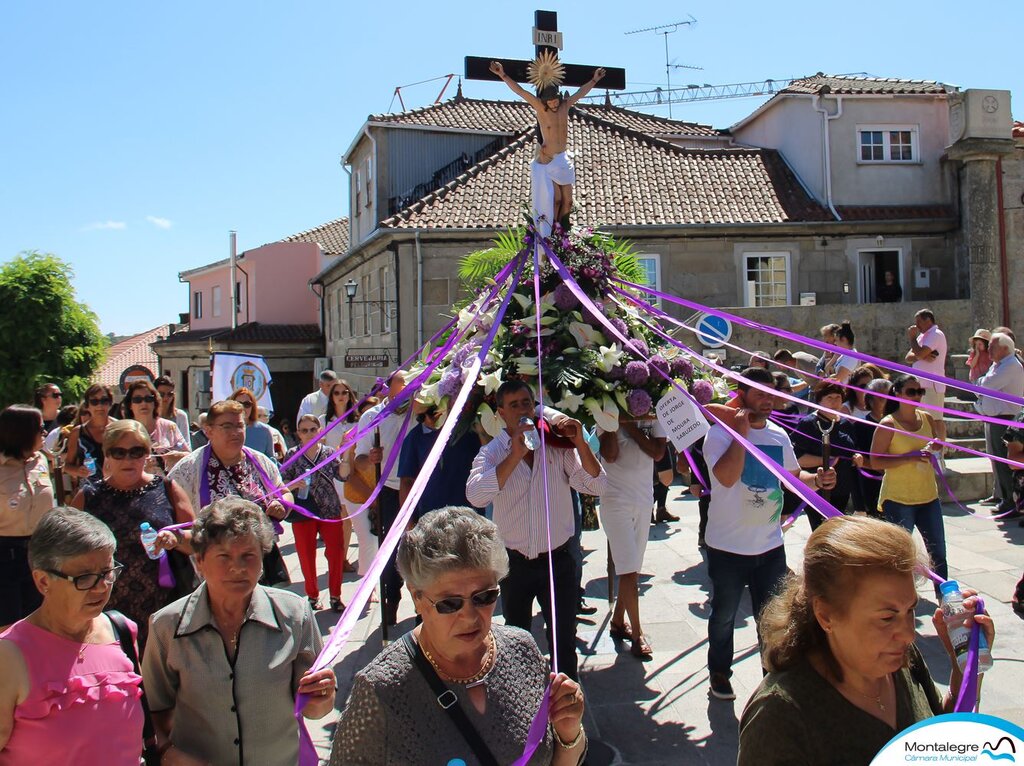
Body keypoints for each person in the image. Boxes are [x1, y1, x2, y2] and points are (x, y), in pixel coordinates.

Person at [331, 506, 587, 766]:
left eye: (484, 597)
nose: (470, 617)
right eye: (450, 603)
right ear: (416, 597)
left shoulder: (522, 650)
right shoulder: (380, 689)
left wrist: (569, 734)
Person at [738, 516, 994, 765]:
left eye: (910, 610)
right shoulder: (779, 716)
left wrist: (966, 666)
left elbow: (938, 740)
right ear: (826, 615)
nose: (907, 634)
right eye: (887, 618)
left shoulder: (904, 659)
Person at [142, 497, 335, 766]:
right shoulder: (167, 626)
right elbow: (154, 709)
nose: (238, 567)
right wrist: (167, 753)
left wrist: (323, 697)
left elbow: (315, 708)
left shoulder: (295, 615)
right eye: (224, 556)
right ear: (199, 560)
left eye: (248, 556)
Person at [703, 367, 836, 701]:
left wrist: (816, 480)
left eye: (771, 393)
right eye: (759, 393)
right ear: (742, 394)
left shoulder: (779, 435)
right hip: (727, 547)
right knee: (724, 617)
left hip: (770, 545)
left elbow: (791, 477)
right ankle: (719, 672)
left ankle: (771, 676)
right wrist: (740, 433)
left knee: (772, 618)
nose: (767, 400)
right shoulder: (718, 434)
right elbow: (728, 478)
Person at [466, 380, 606, 680]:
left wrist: (580, 441)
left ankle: (567, 711)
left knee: (564, 641)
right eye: (513, 405)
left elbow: (596, 484)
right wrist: (514, 455)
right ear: (501, 412)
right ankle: (524, 702)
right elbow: (476, 495)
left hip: (559, 562)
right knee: (517, 642)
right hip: (515, 564)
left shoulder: (556, 446)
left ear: (535, 406)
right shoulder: (493, 452)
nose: (521, 411)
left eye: (526, 403)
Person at [0, 507, 145, 764]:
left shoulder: (121, 630)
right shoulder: (9, 656)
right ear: (43, 581)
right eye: (85, 577)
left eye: (107, 572)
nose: (101, 587)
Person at [70, 419, 194, 648]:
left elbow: (196, 542)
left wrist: (175, 540)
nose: (128, 460)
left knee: (159, 677)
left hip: (162, 605)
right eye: (119, 452)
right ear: (106, 455)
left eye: (136, 452)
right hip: (104, 607)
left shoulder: (167, 488)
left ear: (147, 455)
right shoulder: (88, 496)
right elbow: (67, 551)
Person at [167, 399, 293, 587]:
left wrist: (282, 504)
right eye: (227, 426)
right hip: (214, 569)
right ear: (208, 431)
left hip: (259, 565)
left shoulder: (259, 461)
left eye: (240, 425)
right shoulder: (188, 468)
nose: (235, 432)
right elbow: (172, 514)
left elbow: (284, 491)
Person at [489, 60, 605, 236]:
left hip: (563, 159)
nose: (553, 103)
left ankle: (563, 231)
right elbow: (520, 91)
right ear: (545, 101)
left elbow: (581, 92)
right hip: (548, 159)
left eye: (555, 100)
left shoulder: (565, 106)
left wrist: (594, 80)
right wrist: (502, 75)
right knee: (556, 200)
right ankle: (551, 232)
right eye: (550, 101)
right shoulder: (541, 109)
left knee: (568, 202)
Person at [868, 374, 948, 586]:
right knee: (899, 556)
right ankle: (898, 597)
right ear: (897, 393)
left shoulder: (927, 418)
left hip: (928, 495)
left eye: (920, 391)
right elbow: (875, 461)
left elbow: (932, 446)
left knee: (939, 554)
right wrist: (908, 457)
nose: (917, 396)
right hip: (899, 498)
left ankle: (946, 600)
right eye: (911, 392)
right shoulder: (889, 423)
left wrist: (936, 447)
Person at [599, 416, 666, 658]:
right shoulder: (606, 412)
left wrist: (630, 426)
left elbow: (658, 452)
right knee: (627, 570)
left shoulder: (654, 412)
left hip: (644, 499)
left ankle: (618, 621)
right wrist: (615, 421)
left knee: (633, 568)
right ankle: (638, 634)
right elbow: (610, 454)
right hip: (615, 501)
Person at [355, 373, 409, 625]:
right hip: (388, 488)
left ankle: (423, 606)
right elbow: (359, 458)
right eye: (402, 385)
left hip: (418, 487)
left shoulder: (421, 411)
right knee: (389, 547)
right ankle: (391, 598)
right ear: (390, 388)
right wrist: (371, 459)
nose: (407, 391)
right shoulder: (372, 416)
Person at [280, 415, 348, 612]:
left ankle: (335, 595)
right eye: (304, 430)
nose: (309, 434)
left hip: (329, 507)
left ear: (320, 431)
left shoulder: (327, 452)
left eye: (312, 429)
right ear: (298, 434)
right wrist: (295, 484)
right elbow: (281, 484)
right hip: (304, 510)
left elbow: (343, 475)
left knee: (336, 552)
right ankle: (312, 595)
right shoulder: (292, 454)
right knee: (305, 553)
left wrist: (346, 453)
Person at [0, 406, 55, 626]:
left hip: (41, 550)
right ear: (21, 432)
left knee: (40, 622)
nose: (44, 433)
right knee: (8, 626)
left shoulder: (40, 460)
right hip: (5, 556)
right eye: (40, 428)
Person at [789, 380, 858, 526]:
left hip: (843, 487)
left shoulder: (845, 423)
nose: (834, 402)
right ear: (819, 400)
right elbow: (796, 458)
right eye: (829, 398)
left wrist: (856, 457)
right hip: (818, 488)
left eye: (838, 397)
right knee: (822, 529)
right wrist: (826, 460)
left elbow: (850, 449)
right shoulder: (809, 424)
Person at [398, 402, 483, 521]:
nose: (435, 418)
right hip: (431, 519)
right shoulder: (414, 438)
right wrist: (408, 523)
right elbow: (407, 481)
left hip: (469, 516)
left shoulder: (468, 432)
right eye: (431, 413)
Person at [974, 333, 1024, 516]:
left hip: (1005, 419)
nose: (988, 351)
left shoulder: (1011, 365)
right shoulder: (999, 365)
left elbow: (985, 385)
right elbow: (982, 383)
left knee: (1004, 461)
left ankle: (1011, 501)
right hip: (994, 418)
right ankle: (1006, 499)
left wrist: (981, 383)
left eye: (992, 347)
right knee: (996, 459)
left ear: (1004, 348)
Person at [344, 396, 382, 579]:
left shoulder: (385, 432)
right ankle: (367, 583)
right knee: (367, 540)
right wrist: (371, 497)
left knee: (379, 541)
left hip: (382, 494)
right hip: (357, 496)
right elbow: (349, 473)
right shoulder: (350, 437)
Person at [123, 379, 190, 476]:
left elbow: (190, 456)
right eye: (137, 400)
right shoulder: (124, 431)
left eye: (148, 399)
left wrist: (177, 456)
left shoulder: (169, 427)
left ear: (155, 402)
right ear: (130, 405)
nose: (144, 403)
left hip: (168, 485)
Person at [851, 378, 892, 519]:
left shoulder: (899, 425)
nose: (887, 402)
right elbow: (862, 460)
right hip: (873, 484)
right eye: (882, 398)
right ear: (870, 400)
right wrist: (885, 468)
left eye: (890, 397)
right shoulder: (861, 426)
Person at [63, 383, 116, 485]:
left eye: (104, 400)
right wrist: (78, 471)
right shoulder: (78, 432)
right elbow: (67, 466)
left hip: (118, 488)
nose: (99, 405)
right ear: (87, 406)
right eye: (94, 401)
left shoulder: (120, 428)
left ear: (110, 403)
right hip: (90, 491)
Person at [905, 309, 947, 412]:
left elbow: (919, 353)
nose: (916, 325)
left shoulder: (936, 334)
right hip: (920, 386)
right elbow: (908, 358)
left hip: (932, 386)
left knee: (935, 420)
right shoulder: (922, 337)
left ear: (928, 320)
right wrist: (922, 356)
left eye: (918, 322)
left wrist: (912, 338)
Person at [230, 387, 276, 461]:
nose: (243, 408)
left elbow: (271, 460)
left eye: (247, 404)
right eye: (238, 404)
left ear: (253, 406)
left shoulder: (264, 430)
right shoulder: (224, 429)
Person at [155, 375, 192, 450]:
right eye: (161, 394)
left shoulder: (180, 416)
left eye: (170, 394)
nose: (166, 398)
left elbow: (186, 444)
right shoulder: (150, 416)